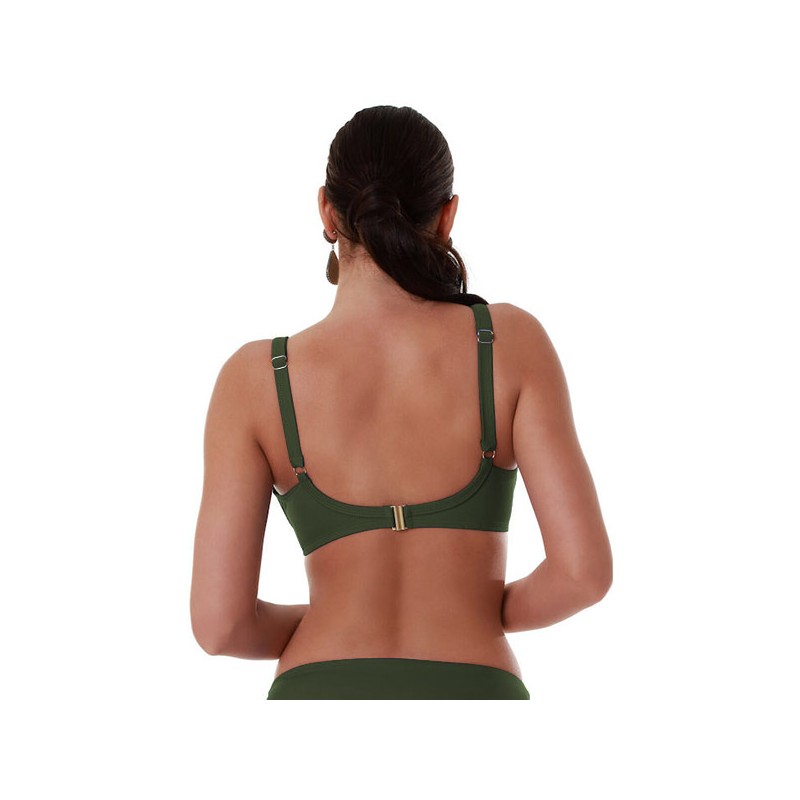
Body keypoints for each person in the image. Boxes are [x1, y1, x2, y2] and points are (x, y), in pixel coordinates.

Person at [190, 105, 613, 700]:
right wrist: (473, 612)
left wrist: (330, 619)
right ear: (446, 216)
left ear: (327, 211)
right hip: (476, 688)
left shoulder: (255, 378)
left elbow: (220, 626)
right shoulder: (508, 344)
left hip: (316, 689)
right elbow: (583, 574)